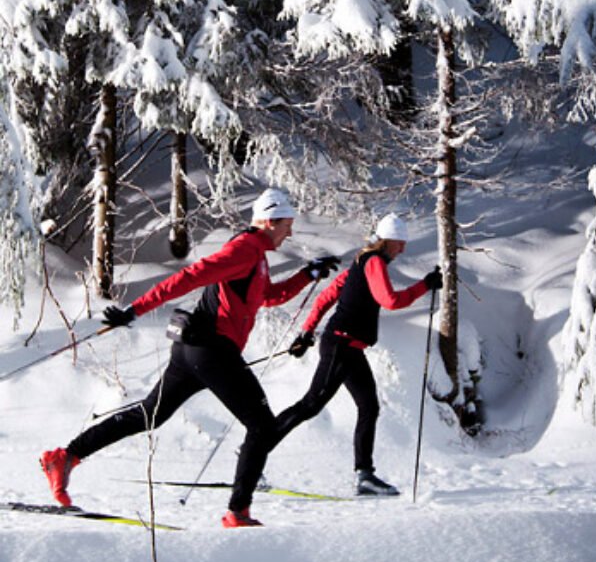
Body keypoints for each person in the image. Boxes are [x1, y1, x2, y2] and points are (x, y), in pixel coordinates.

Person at [40, 188, 339, 528]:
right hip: (211, 349)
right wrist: (135, 309)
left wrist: (307, 275)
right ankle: (238, 512)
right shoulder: (244, 250)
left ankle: (65, 457)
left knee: (150, 414)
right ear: (271, 221)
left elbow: (267, 297)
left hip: (195, 350)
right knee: (261, 425)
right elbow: (190, 277)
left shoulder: (256, 256)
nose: (290, 232)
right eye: (287, 224)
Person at [273, 213, 442, 496]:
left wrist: (307, 333)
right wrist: (425, 285)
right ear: (387, 241)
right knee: (311, 404)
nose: (402, 249)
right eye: (400, 243)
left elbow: (327, 297)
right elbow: (390, 301)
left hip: (348, 348)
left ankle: (364, 476)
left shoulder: (360, 263)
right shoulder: (373, 262)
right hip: (341, 345)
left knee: (369, 407)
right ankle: (256, 448)